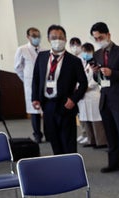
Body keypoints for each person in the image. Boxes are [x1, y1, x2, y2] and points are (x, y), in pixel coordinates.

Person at [31, 24, 87, 155]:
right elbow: (36, 79)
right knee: (53, 138)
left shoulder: (74, 61)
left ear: (65, 39)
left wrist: (74, 99)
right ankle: (58, 165)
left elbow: (83, 83)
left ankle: (72, 167)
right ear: (49, 39)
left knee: (68, 140)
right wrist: (35, 98)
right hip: (48, 104)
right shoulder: (42, 56)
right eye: (54, 37)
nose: (57, 40)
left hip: (66, 104)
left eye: (60, 37)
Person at [91, 22, 119, 177]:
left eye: (101, 37)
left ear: (108, 35)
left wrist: (113, 73)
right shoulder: (97, 54)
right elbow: (98, 79)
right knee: (110, 133)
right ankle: (114, 162)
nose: (99, 40)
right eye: (96, 38)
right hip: (104, 97)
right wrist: (95, 73)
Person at [14, 27, 45, 143]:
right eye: (34, 35)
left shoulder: (44, 50)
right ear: (28, 37)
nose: (36, 38)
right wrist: (26, 80)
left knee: (46, 109)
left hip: (43, 83)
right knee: (34, 111)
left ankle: (49, 133)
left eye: (38, 35)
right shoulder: (22, 49)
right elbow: (18, 68)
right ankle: (37, 134)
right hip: (30, 83)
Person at [77, 43, 107, 149]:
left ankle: (101, 142)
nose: (84, 54)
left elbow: (96, 79)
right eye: (83, 51)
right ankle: (91, 140)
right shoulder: (84, 63)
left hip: (93, 94)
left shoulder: (96, 63)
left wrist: (84, 87)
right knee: (86, 120)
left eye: (86, 51)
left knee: (96, 121)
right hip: (84, 96)